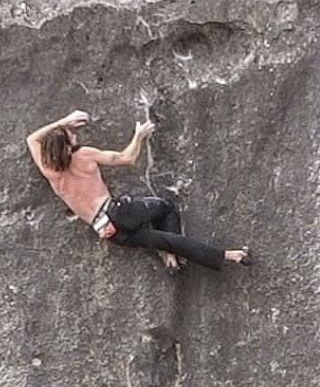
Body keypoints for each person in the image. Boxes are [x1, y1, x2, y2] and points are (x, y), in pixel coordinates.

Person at [26, 109, 251, 274]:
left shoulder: (50, 172)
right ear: (66, 146)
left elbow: (32, 139)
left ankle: (220, 256)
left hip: (107, 231)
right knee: (166, 208)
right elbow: (128, 158)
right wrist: (139, 136)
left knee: (165, 241)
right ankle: (179, 256)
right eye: (70, 135)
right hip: (118, 213)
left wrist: (62, 123)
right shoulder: (83, 155)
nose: (75, 136)